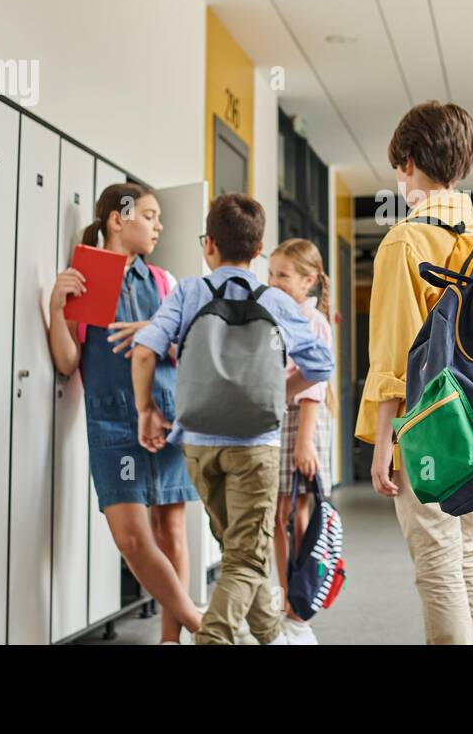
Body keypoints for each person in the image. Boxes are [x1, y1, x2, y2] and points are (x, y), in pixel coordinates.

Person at [130, 193, 335, 645]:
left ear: (209, 245)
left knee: (240, 550)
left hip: (198, 444)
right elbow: (321, 364)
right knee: (245, 557)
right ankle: (214, 639)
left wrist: (147, 410)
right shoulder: (276, 301)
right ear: (259, 251)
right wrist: (281, 391)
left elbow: (144, 351)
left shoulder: (187, 292)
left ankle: (270, 636)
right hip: (254, 446)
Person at [357, 101, 473, 645]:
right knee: (468, 557)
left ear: (409, 162)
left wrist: (383, 440)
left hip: (429, 427)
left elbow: (395, 356)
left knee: (437, 568)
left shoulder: (405, 240)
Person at [47, 182, 203, 645]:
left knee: (171, 527)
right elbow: (68, 362)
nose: (159, 225)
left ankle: (172, 640)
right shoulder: (89, 277)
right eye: (150, 216)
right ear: (118, 219)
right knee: (132, 539)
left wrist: (157, 333)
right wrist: (56, 307)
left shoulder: (163, 282)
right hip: (112, 422)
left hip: (165, 414)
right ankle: (206, 628)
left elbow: (190, 349)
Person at [266, 237, 335, 645]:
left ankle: (299, 608)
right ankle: (288, 602)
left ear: (308, 280)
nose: (273, 282)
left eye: (283, 275)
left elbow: (312, 386)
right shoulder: (281, 315)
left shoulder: (313, 321)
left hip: (302, 423)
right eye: (271, 274)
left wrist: (304, 443)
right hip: (283, 420)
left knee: (296, 516)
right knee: (280, 516)